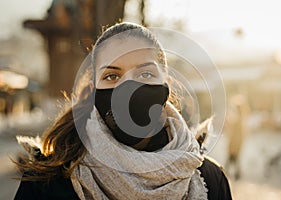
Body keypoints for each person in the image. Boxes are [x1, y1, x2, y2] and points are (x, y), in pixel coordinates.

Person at [14, 22, 232, 200]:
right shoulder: (47, 182)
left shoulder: (210, 180)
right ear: (93, 91)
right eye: (112, 76)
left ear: (167, 84)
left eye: (145, 74)